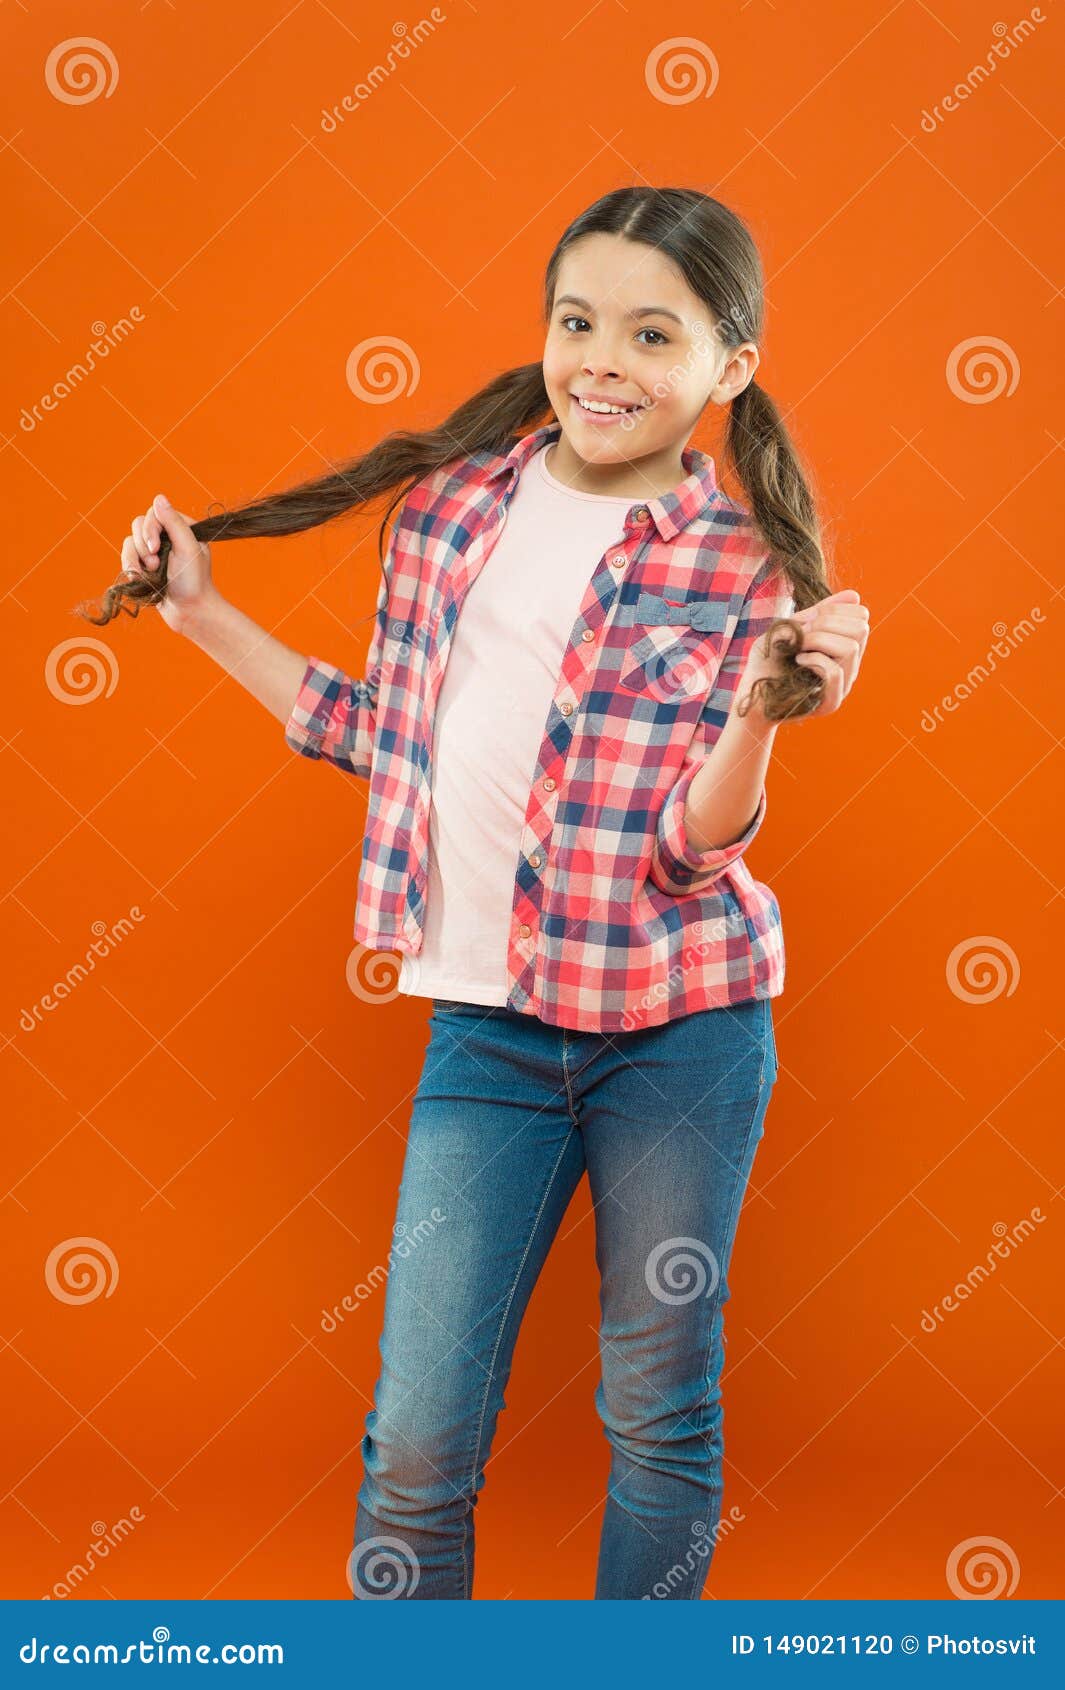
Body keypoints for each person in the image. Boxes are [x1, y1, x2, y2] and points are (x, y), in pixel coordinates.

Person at [99, 186, 870, 1599]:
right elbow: (385, 739)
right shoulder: (453, 510)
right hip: (492, 1036)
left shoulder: (740, 565)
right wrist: (201, 610)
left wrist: (762, 709)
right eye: (578, 321)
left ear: (728, 366)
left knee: (656, 1419)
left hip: (680, 1035)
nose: (601, 360)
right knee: (416, 1440)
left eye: (653, 333)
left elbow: (690, 849)